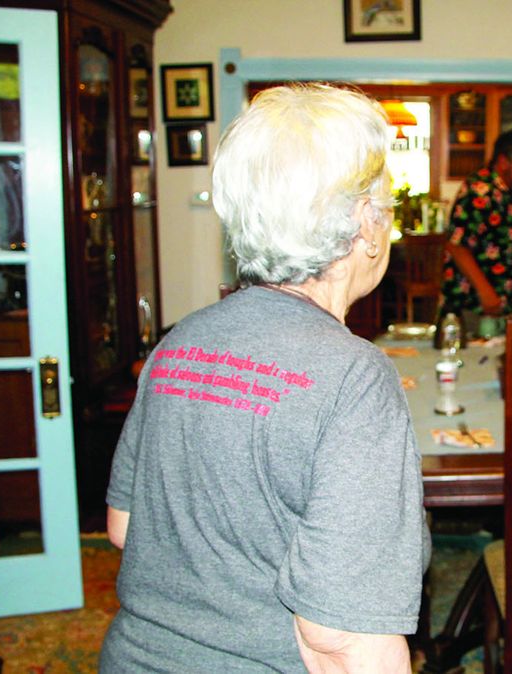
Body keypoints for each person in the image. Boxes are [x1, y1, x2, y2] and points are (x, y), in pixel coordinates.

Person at [100, 83, 430, 673]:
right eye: (386, 208)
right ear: (364, 224)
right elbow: (341, 637)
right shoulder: (354, 376)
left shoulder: (181, 343)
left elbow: (125, 526)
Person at [442, 128, 512, 320]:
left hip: (502, 306)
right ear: (504, 161)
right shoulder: (479, 190)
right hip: (477, 307)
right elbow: (457, 245)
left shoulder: (507, 192)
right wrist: (486, 293)